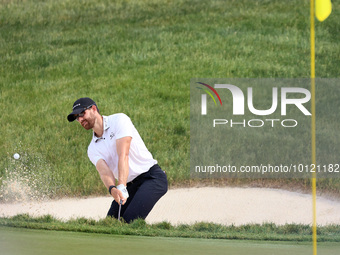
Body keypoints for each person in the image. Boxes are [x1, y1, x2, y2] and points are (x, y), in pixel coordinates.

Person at [67, 97, 168, 223]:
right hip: (130, 185)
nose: (80, 119)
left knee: (128, 221)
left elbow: (123, 155)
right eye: (77, 117)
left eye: (82, 113)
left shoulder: (119, 120)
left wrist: (121, 186)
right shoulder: (92, 149)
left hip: (151, 178)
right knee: (111, 223)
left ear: (93, 109)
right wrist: (113, 189)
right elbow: (104, 172)